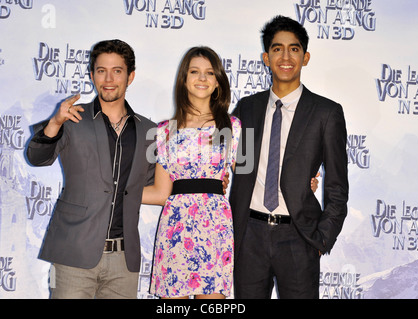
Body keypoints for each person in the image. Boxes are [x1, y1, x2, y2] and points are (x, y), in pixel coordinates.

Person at [229, 15, 349, 299]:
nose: (285, 56)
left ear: (305, 57)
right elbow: (241, 166)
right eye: (277, 49)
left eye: (294, 49)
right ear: (266, 58)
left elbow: (337, 187)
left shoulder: (326, 113)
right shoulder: (247, 108)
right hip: (249, 237)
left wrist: (321, 239)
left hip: (299, 237)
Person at [26, 39, 156, 299]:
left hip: (124, 260)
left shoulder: (149, 130)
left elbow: (153, 184)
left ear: (130, 76)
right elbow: (37, 157)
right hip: (73, 252)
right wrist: (54, 123)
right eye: (101, 70)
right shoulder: (72, 117)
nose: (108, 79)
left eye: (117, 71)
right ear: (91, 74)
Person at [142, 46, 241, 299]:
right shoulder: (162, 131)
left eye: (209, 73)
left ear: (218, 81)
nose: (202, 78)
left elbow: (253, 181)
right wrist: (117, 190)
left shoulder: (235, 127)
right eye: (195, 71)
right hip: (175, 229)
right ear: (184, 80)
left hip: (216, 230)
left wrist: (303, 179)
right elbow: (161, 192)